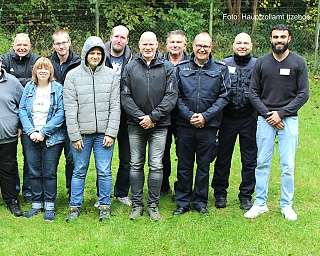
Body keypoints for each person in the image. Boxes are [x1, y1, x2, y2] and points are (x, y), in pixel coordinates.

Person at [244, 24, 309, 221]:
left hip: (288, 120)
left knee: (288, 165)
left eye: (282, 37)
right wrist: (268, 115)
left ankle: (286, 205)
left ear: (289, 39)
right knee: (262, 163)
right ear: (270, 39)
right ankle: (260, 203)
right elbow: (252, 93)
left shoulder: (299, 62)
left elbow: (303, 94)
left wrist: (281, 114)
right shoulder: (261, 63)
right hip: (265, 120)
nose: (278, 40)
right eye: (275, 37)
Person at [121, 31, 178, 221]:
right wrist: (140, 117)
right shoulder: (129, 68)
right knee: (135, 164)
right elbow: (125, 96)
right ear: (139, 45)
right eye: (144, 44)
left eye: (151, 44)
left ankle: (153, 205)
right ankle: (137, 204)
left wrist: (153, 117)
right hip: (135, 125)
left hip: (160, 125)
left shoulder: (168, 67)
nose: (148, 47)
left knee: (156, 165)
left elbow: (171, 97)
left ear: (157, 45)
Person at [173, 32, 230, 216]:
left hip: (209, 126)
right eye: (199, 45)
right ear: (193, 47)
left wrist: (205, 116)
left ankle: (200, 201)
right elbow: (176, 96)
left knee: (204, 165)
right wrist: (190, 116)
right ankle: (183, 201)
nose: (202, 49)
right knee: (184, 165)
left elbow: (224, 96)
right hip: (184, 125)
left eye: (206, 46)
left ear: (211, 48)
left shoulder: (220, 69)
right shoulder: (181, 68)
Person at [64, 36, 120, 222]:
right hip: (82, 135)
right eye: (92, 53)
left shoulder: (112, 75)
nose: (95, 56)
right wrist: (74, 135)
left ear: (103, 55)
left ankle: (104, 205)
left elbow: (115, 106)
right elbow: (70, 109)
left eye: (98, 53)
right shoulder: (72, 76)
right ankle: (74, 206)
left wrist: (111, 132)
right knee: (79, 169)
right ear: (85, 54)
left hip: (104, 134)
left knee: (104, 170)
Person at [212, 33, 257, 210]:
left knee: (249, 159)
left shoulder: (258, 65)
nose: (242, 46)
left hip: (250, 118)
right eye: (239, 42)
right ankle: (220, 193)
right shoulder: (224, 64)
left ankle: (246, 195)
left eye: (246, 43)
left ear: (251, 46)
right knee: (223, 157)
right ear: (233, 45)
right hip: (227, 118)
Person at [19, 57, 65, 221]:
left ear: (51, 71)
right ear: (35, 71)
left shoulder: (58, 88)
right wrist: (31, 131)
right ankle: (37, 204)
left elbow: (61, 113)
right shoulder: (29, 87)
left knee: (49, 172)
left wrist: (44, 132)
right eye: (40, 68)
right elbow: (22, 109)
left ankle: (50, 206)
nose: (43, 71)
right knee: (34, 171)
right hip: (30, 136)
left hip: (51, 137)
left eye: (46, 68)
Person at [1, 33, 39, 201]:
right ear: (13, 45)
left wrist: (17, 80)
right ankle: (13, 191)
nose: (22, 47)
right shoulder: (5, 59)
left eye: (25, 44)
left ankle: (29, 193)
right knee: (10, 161)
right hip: (10, 117)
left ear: (30, 46)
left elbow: (37, 82)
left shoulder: (36, 61)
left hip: (31, 117)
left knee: (30, 158)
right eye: (19, 44)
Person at [49, 29, 81, 199]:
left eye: (64, 42)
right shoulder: (47, 62)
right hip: (52, 120)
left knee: (72, 159)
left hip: (73, 119)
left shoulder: (78, 62)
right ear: (53, 45)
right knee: (50, 160)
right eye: (57, 43)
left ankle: (71, 193)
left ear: (69, 42)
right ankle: (49, 196)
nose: (61, 46)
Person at [103, 25, 133, 206]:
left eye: (123, 37)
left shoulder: (132, 60)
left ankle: (122, 192)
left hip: (126, 116)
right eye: (116, 36)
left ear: (127, 40)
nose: (119, 40)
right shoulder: (99, 56)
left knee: (127, 158)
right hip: (104, 115)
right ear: (111, 37)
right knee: (103, 159)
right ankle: (102, 194)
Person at [161, 30, 189, 195]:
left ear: (185, 45)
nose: (175, 45)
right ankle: (163, 185)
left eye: (179, 42)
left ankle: (181, 188)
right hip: (164, 115)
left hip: (184, 116)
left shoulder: (192, 62)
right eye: (172, 42)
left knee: (183, 153)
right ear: (167, 44)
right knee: (162, 152)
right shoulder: (159, 62)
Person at [0, 60, 24, 217]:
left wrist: (21, 125)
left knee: (8, 169)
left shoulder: (13, 82)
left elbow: (24, 104)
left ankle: (12, 200)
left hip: (7, 136)